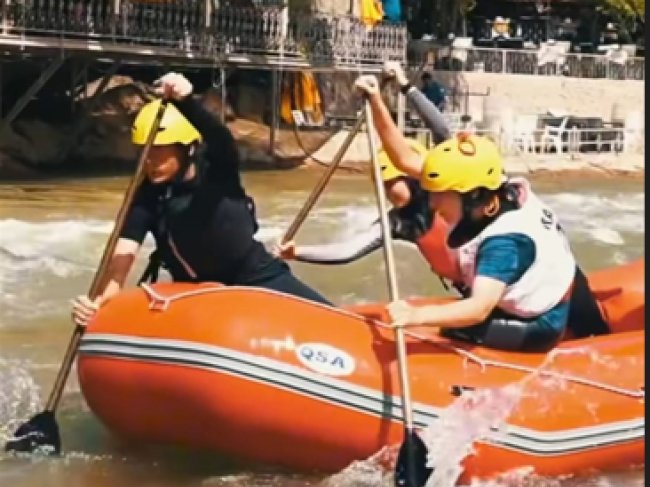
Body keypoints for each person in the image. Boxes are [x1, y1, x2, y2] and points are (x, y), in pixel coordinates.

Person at [353, 73, 610, 351]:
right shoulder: (493, 184)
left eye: (440, 195)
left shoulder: (503, 243)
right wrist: (376, 99)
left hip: (540, 325)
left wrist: (416, 315)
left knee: (459, 329)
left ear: (472, 197)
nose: (433, 204)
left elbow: (478, 309)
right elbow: (404, 159)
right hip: (558, 280)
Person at [72, 72, 331, 326]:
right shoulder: (148, 194)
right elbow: (123, 255)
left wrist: (186, 102)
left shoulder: (217, 171)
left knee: (329, 322)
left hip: (255, 278)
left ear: (188, 148)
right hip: (193, 293)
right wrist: (100, 305)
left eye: (160, 152)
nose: (151, 162)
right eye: (145, 153)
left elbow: (220, 137)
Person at [274, 138, 463, 290]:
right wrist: (297, 252)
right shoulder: (397, 221)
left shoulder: (453, 195)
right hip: (467, 288)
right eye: (383, 187)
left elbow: (441, 130)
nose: (386, 194)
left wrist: (408, 90)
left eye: (390, 184)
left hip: (487, 286)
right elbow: (346, 251)